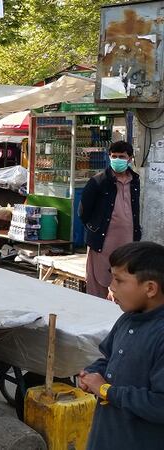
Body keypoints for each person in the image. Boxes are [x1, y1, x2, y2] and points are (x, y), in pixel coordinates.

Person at [78, 242, 164, 450]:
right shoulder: (127, 319)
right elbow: (109, 359)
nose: (111, 286)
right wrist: (91, 373)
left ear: (150, 288)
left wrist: (107, 391)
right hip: (106, 436)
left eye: (119, 280)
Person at [79, 141, 141, 299]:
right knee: (98, 283)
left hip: (127, 241)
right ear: (109, 157)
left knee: (124, 280)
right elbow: (83, 211)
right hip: (102, 242)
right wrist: (95, 228)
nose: (117, 160)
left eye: (122, 157)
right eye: (114, 156)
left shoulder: (135, 181)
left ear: (130, 159)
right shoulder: (98, 181)